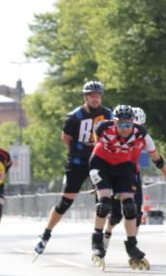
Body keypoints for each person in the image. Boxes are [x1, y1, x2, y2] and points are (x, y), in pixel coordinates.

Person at [34, 81, 114, 256]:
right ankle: (46, 233)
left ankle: (98, 240)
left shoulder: (108, 114)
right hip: (78, 162)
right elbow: (66, 138)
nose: (95, 99)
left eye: (97, 96)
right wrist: (79, 151)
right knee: (66, 201)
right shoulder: (74, 116)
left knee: (103, 203)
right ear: (85, 97)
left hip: (99, 161)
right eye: (91, 96)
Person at [89, 104, 166, 270]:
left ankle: (131, 245)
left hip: (124, 166)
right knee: (104, 203)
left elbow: (157, 159)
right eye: (121, 125)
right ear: (114, 123)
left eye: (129, 125)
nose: (125, 129)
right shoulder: (103, 128)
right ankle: (97, 241)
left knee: (130, 208)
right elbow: (95, 145)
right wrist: (96, 178)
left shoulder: (141, 134)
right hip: (101, 164)